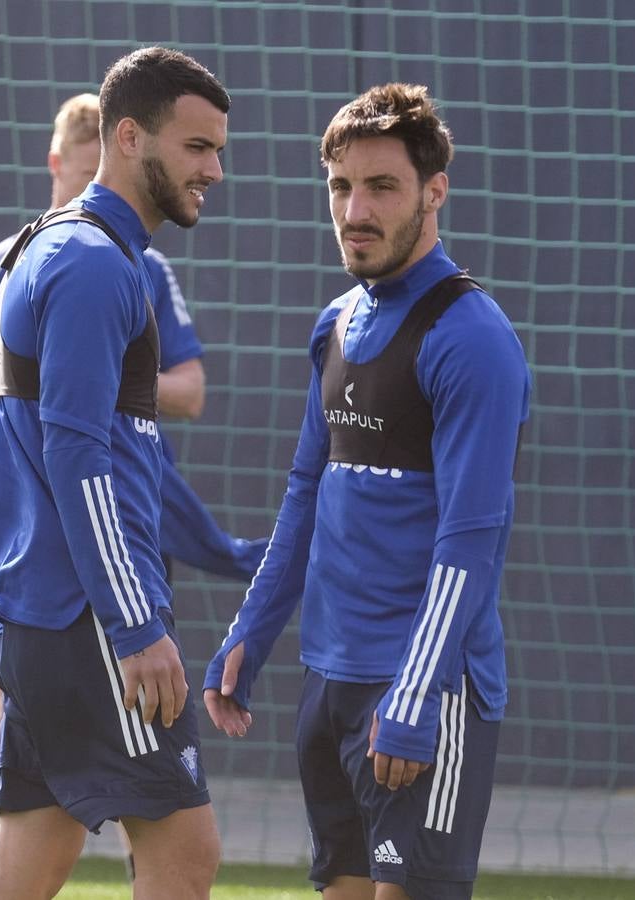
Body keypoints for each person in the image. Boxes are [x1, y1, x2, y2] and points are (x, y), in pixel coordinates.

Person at [203, 83, 530, 899]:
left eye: (382, 187)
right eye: (342, 187)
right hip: (330, 684)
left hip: (425, 692)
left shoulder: (473, 338)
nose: (356, 210)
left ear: (433, 193)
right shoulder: (336, 323)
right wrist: (254, 627)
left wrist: (416, 695)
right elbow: (306, 493)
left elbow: (471, 539)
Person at [0, 93, 265, 879]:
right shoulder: (92, 262)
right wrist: (132, 625)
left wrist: (235, 556)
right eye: (197, 147)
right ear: (130, 138)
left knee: (34, 851)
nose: (215, 170)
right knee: (186, 856)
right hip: (89, 618)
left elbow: (137, 460)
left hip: (46, 614)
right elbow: (78, 455)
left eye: (218, 150)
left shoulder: (70, 250)